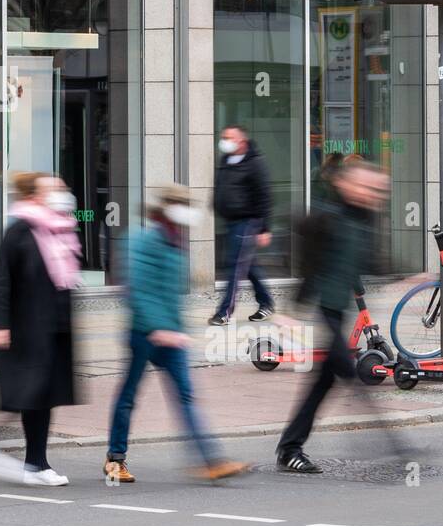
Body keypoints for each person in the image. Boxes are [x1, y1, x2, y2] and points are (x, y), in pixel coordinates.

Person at [103, 185, 250, 484]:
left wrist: (176, 329)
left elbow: (171, 293)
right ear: (167, 207)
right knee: (129, 396)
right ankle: (115, 459)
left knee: (185, 396)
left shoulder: (176, 241)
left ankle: (212, 461)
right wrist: (157, 327)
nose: (186, 210)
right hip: (144, 334)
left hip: (172, 336)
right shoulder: (141, 240)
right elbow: (137, 288)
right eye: (181, 204)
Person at [276, 161, 393, 474]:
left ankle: (290, 448)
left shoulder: (365, 218)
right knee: (348, 372)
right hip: (324, 308)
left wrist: (403, 275)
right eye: (367, 188)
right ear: (346, 185)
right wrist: (292, 312)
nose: (373, 194)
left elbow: (370, 260)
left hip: (340, 309)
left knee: (324, 382)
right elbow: (309, 266)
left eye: (377, 190)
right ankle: (389, 447)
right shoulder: (328, 218)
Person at [0, 172, 82, 486]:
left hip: (54, 330)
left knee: (43, 395)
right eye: (53, 189)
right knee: (34, 394)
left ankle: (33, 462)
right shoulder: (21, 231)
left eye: (61, 188)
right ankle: (35, 464)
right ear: (35, 196)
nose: (62, 193)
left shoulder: (61, 230)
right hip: (27, 329)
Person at [209, 125, 275, 326]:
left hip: (248, 221)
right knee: (249, 265)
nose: (224, 141)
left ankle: (224, 312)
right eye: (223, 137)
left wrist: (264, 228)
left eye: (228, 137)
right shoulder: (226, 160)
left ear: (241, 141)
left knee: (234, 266)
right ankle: (266, 302)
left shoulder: (255, 163)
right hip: (231, 221)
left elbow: (265, 196)